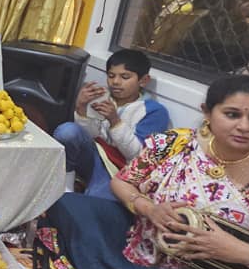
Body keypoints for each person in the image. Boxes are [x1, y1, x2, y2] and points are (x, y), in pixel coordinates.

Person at [40, 75, 249, 269]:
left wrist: (242, 252)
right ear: (207, 112)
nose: (244, 126)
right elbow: (122, 182)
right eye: (232, 114)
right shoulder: (176, 143)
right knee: (68, 206)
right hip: (143, 246)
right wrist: (149, 208)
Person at [53, 49, 170, 200]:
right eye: (111, 76)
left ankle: (83, 192)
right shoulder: (102, 96)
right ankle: (66, 185)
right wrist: (81, 108)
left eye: (125, 77)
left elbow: (138, 156)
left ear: (143, 80)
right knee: (67, 131)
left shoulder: (154, 111)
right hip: (93, 155)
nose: (115, 82)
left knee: (96, 202)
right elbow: (87, 136)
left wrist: (115, 121)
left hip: (118, 170)